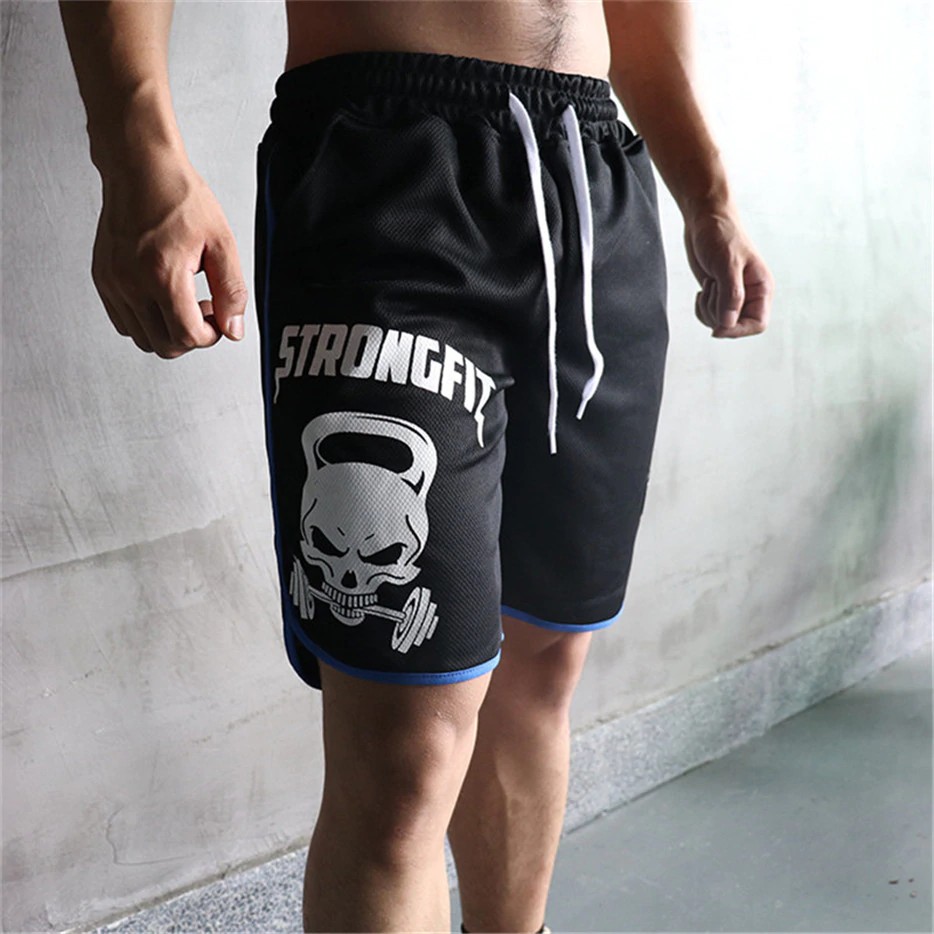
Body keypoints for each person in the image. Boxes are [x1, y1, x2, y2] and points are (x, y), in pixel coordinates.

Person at [58, 2, 774, 932]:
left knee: (541, 663)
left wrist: (708, 194)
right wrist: (136, 152)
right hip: (388, 160)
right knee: (407, 745)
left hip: (594, 175)